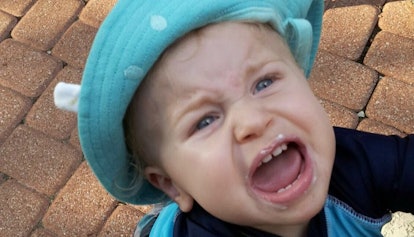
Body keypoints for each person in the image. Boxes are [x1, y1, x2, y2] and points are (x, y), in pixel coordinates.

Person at [53, 0, 414, 236]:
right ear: (171, 184)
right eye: (205, 121)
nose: (252, 121)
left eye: (264, 82)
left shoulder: (354, 163)